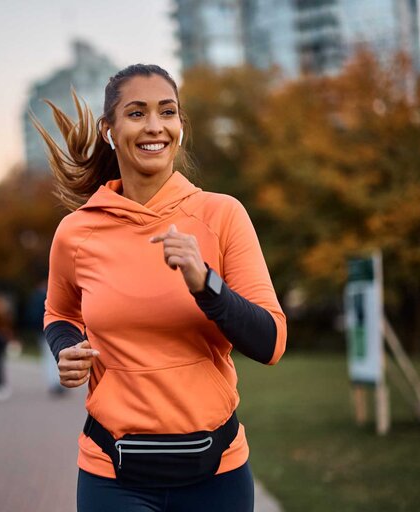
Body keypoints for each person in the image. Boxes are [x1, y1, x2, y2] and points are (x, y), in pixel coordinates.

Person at [35, 64, 287, 511]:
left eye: (167, 112)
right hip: (112, 474)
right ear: (109, 130)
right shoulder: (76, 232)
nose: (154, 126)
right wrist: (67, 348)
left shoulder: (222, 215)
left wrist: (206, 284)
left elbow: (270, 341)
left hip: (217, 474)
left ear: (180, 128)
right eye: (136, 113)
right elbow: (60, 313)